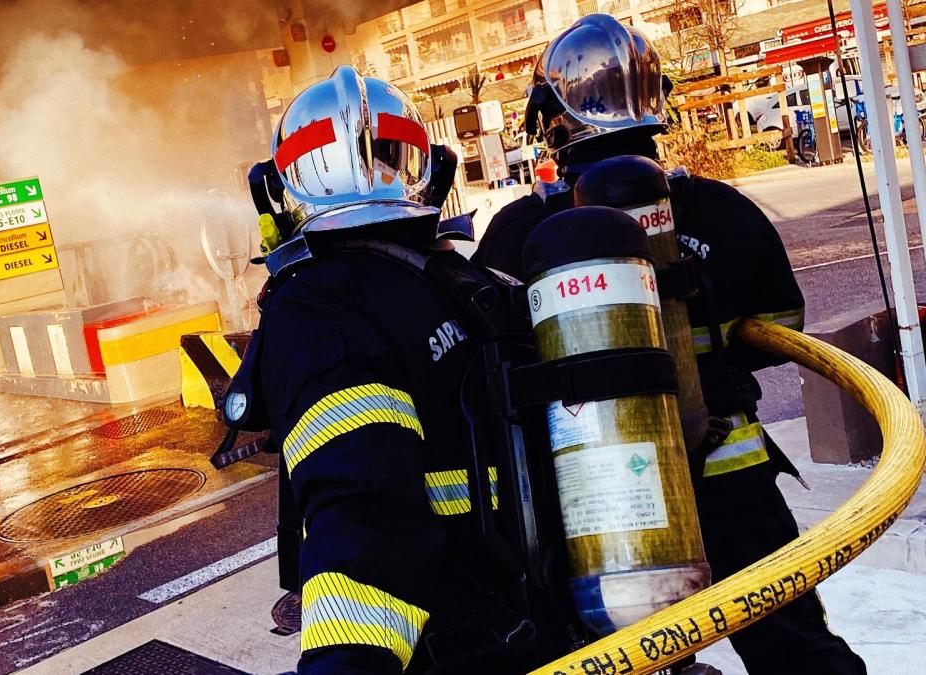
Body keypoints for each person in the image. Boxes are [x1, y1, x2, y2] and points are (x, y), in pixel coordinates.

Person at [473, 15, 866, 675]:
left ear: (553, 116)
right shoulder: (722, 210)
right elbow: (781, 324)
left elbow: (495, 364)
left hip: (597, 497)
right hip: (730, 472)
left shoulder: (521, 231)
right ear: (656, 102)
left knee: (614, 656)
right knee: (795, 647)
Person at [240, 66, 571, 675]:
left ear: (276, 191)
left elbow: (366, 512)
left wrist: (346, 667)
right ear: (430, 173)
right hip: (550, 620)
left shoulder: (319, 309)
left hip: (457, 645)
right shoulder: (466, 282)